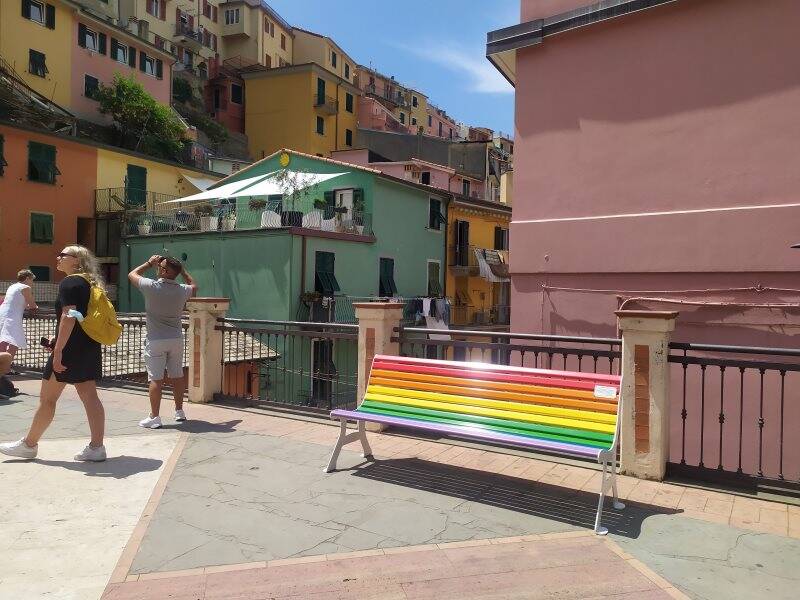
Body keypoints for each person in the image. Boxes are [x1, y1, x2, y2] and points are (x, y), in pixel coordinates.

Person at [0, 246, 106, 461]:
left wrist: (58, 351)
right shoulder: (89, 282)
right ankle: (97, 447)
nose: (58, 258)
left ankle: (29, 445)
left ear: (76, 260)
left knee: (47, 399)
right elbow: (79, 316)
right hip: (88, 345)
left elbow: (69, 316)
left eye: (63, 255)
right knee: (90, 396)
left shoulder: (70, 282)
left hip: (69, 350)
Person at [128, 255, 196, 429]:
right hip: (176, 339)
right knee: (177, 375)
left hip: (156, 340)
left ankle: (155, 417)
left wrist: (149, 263)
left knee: (156, 379)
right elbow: (194, 286)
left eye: (161, 266)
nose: (158, 267)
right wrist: (182, 271)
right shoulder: (182, 290)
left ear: (164, 271)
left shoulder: (151, 286)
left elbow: (132, 274)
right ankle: (179, 411)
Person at [0, 269, 39, 360]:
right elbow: (33, 305)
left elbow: (16, 302)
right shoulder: (25, 287)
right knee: (15, 342)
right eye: (32, 279)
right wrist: (34, 307)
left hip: (3, 314)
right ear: (27, 278)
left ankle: (2, 367)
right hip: (12, 317)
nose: (32, 282)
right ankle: (6, 367)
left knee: (3, 340)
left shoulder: (12, 286)